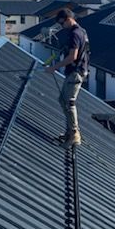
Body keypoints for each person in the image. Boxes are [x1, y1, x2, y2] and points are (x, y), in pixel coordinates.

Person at [44, 9, 89, 146]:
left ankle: (74, 134)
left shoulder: (75, 34)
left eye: (62, 23)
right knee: (63, 100)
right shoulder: (82, 31)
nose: (61, 26)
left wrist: (54, 67)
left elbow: (72, 57)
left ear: (68, 19)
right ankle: (69, 131)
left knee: (69, 102)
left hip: (75, 72)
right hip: (78, 71)